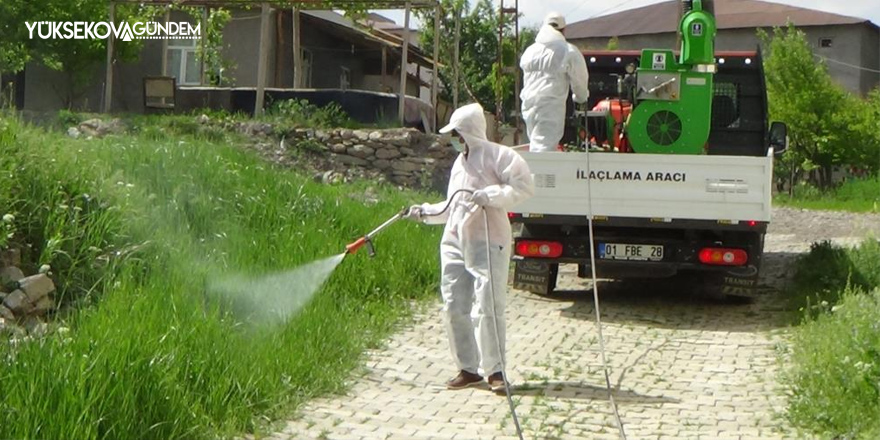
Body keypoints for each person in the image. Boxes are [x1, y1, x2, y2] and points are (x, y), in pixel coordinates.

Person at [404, 103, 534, 391]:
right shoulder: (458, 164)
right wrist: (423, 212)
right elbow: (452, 207)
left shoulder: (500, 156)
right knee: (454, 305)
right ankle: (467, 368)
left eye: (458, 133)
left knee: (488, 305)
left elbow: (524, 188)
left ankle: (496, 371)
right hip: (454, 240)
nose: (455, 139)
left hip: (489, 240)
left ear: (470, 132)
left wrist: (491, 195)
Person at [520, 12, 590, 152]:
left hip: (528, 105)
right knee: (543, 150)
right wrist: (581, 97)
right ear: (563, 30)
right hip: (550, 107)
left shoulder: (530, 51)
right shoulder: (568, 51)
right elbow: (580, 80)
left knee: (535, 145)